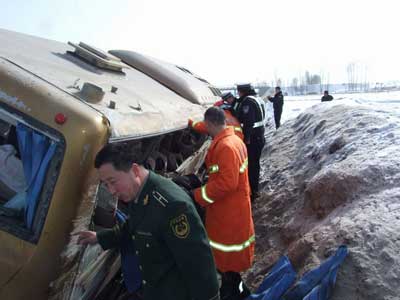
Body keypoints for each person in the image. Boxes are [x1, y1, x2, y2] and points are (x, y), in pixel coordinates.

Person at [74, 143, 220, 300]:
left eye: (113, 181)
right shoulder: (140, 193)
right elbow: (132, 227)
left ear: (135, 170)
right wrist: (100, 237)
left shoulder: (172, 205)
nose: (111, 191)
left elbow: (199, 266)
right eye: (106, 185)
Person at [194, 107, 255, 300]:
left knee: (226, 257)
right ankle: (236, 288)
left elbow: (226, 183)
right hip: (235, 206)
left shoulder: (225, 147)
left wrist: (198, 195)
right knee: (231, 260)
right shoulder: (234, 139)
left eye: (206, 125)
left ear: (211, 124)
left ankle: (233, 292)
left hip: (228, 210)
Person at [232, 83, 266, 201]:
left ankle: (253, 191)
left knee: (251, 165)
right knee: (254, 164)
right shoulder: (257, 98)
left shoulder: (247, 102)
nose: (238, 94)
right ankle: (254, 189)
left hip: (253, 139)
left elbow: (248, 122)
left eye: (239, 91)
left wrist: (246, 139)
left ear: (243, 91)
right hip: (259, 136)